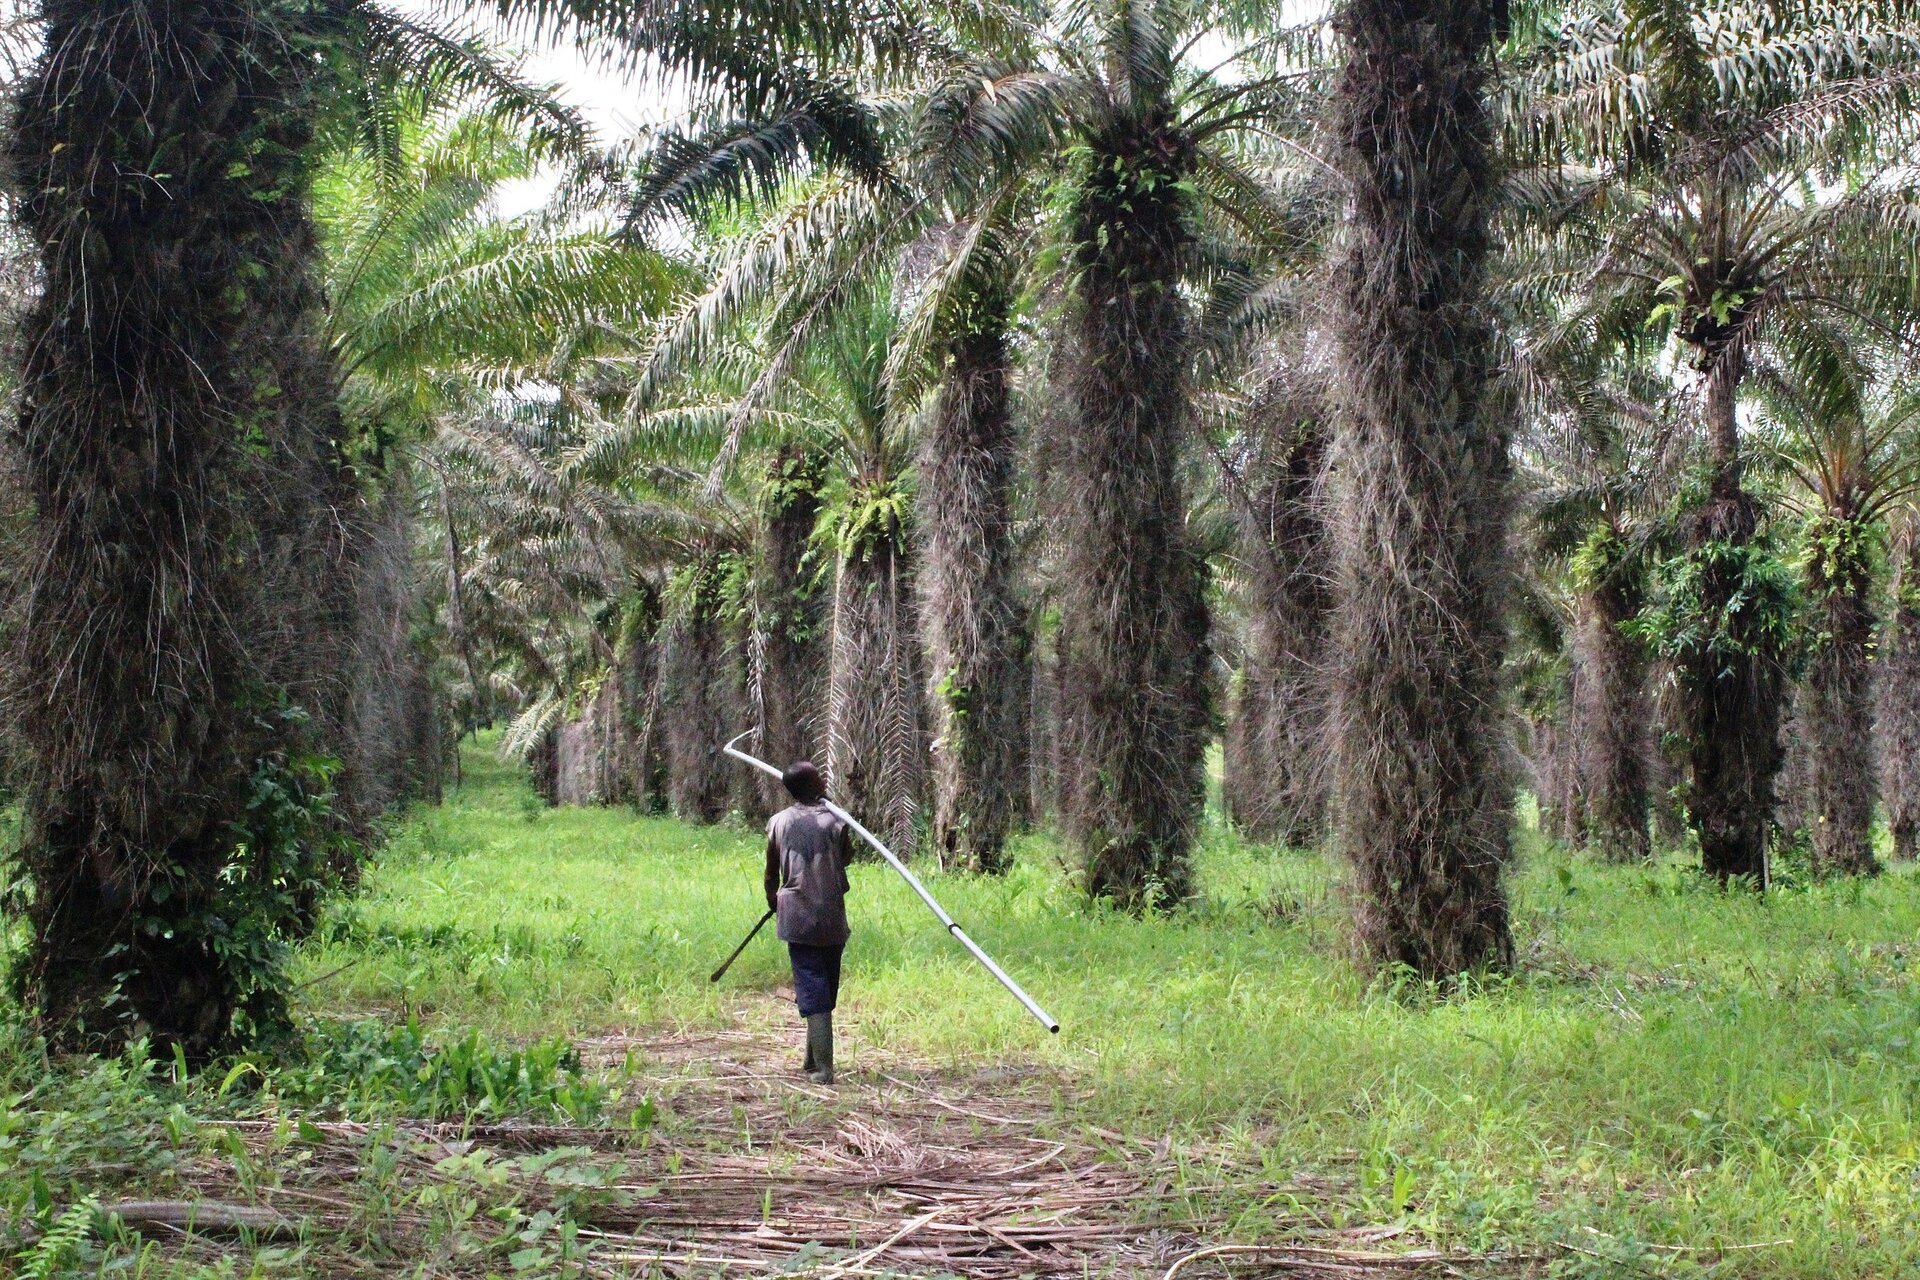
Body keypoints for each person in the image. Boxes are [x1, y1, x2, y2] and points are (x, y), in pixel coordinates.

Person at [763, 760, 851, 1084]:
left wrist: (772, 899)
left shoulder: (778, 822)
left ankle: (815, 1061)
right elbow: (847, 857)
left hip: (797, 914)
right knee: (821, 986)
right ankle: (824, 1069)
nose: (824, 780)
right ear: (813, 787)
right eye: (819, 778)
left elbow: (772, 871)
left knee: (815, 988)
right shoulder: (837, 820)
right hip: (829, 913)